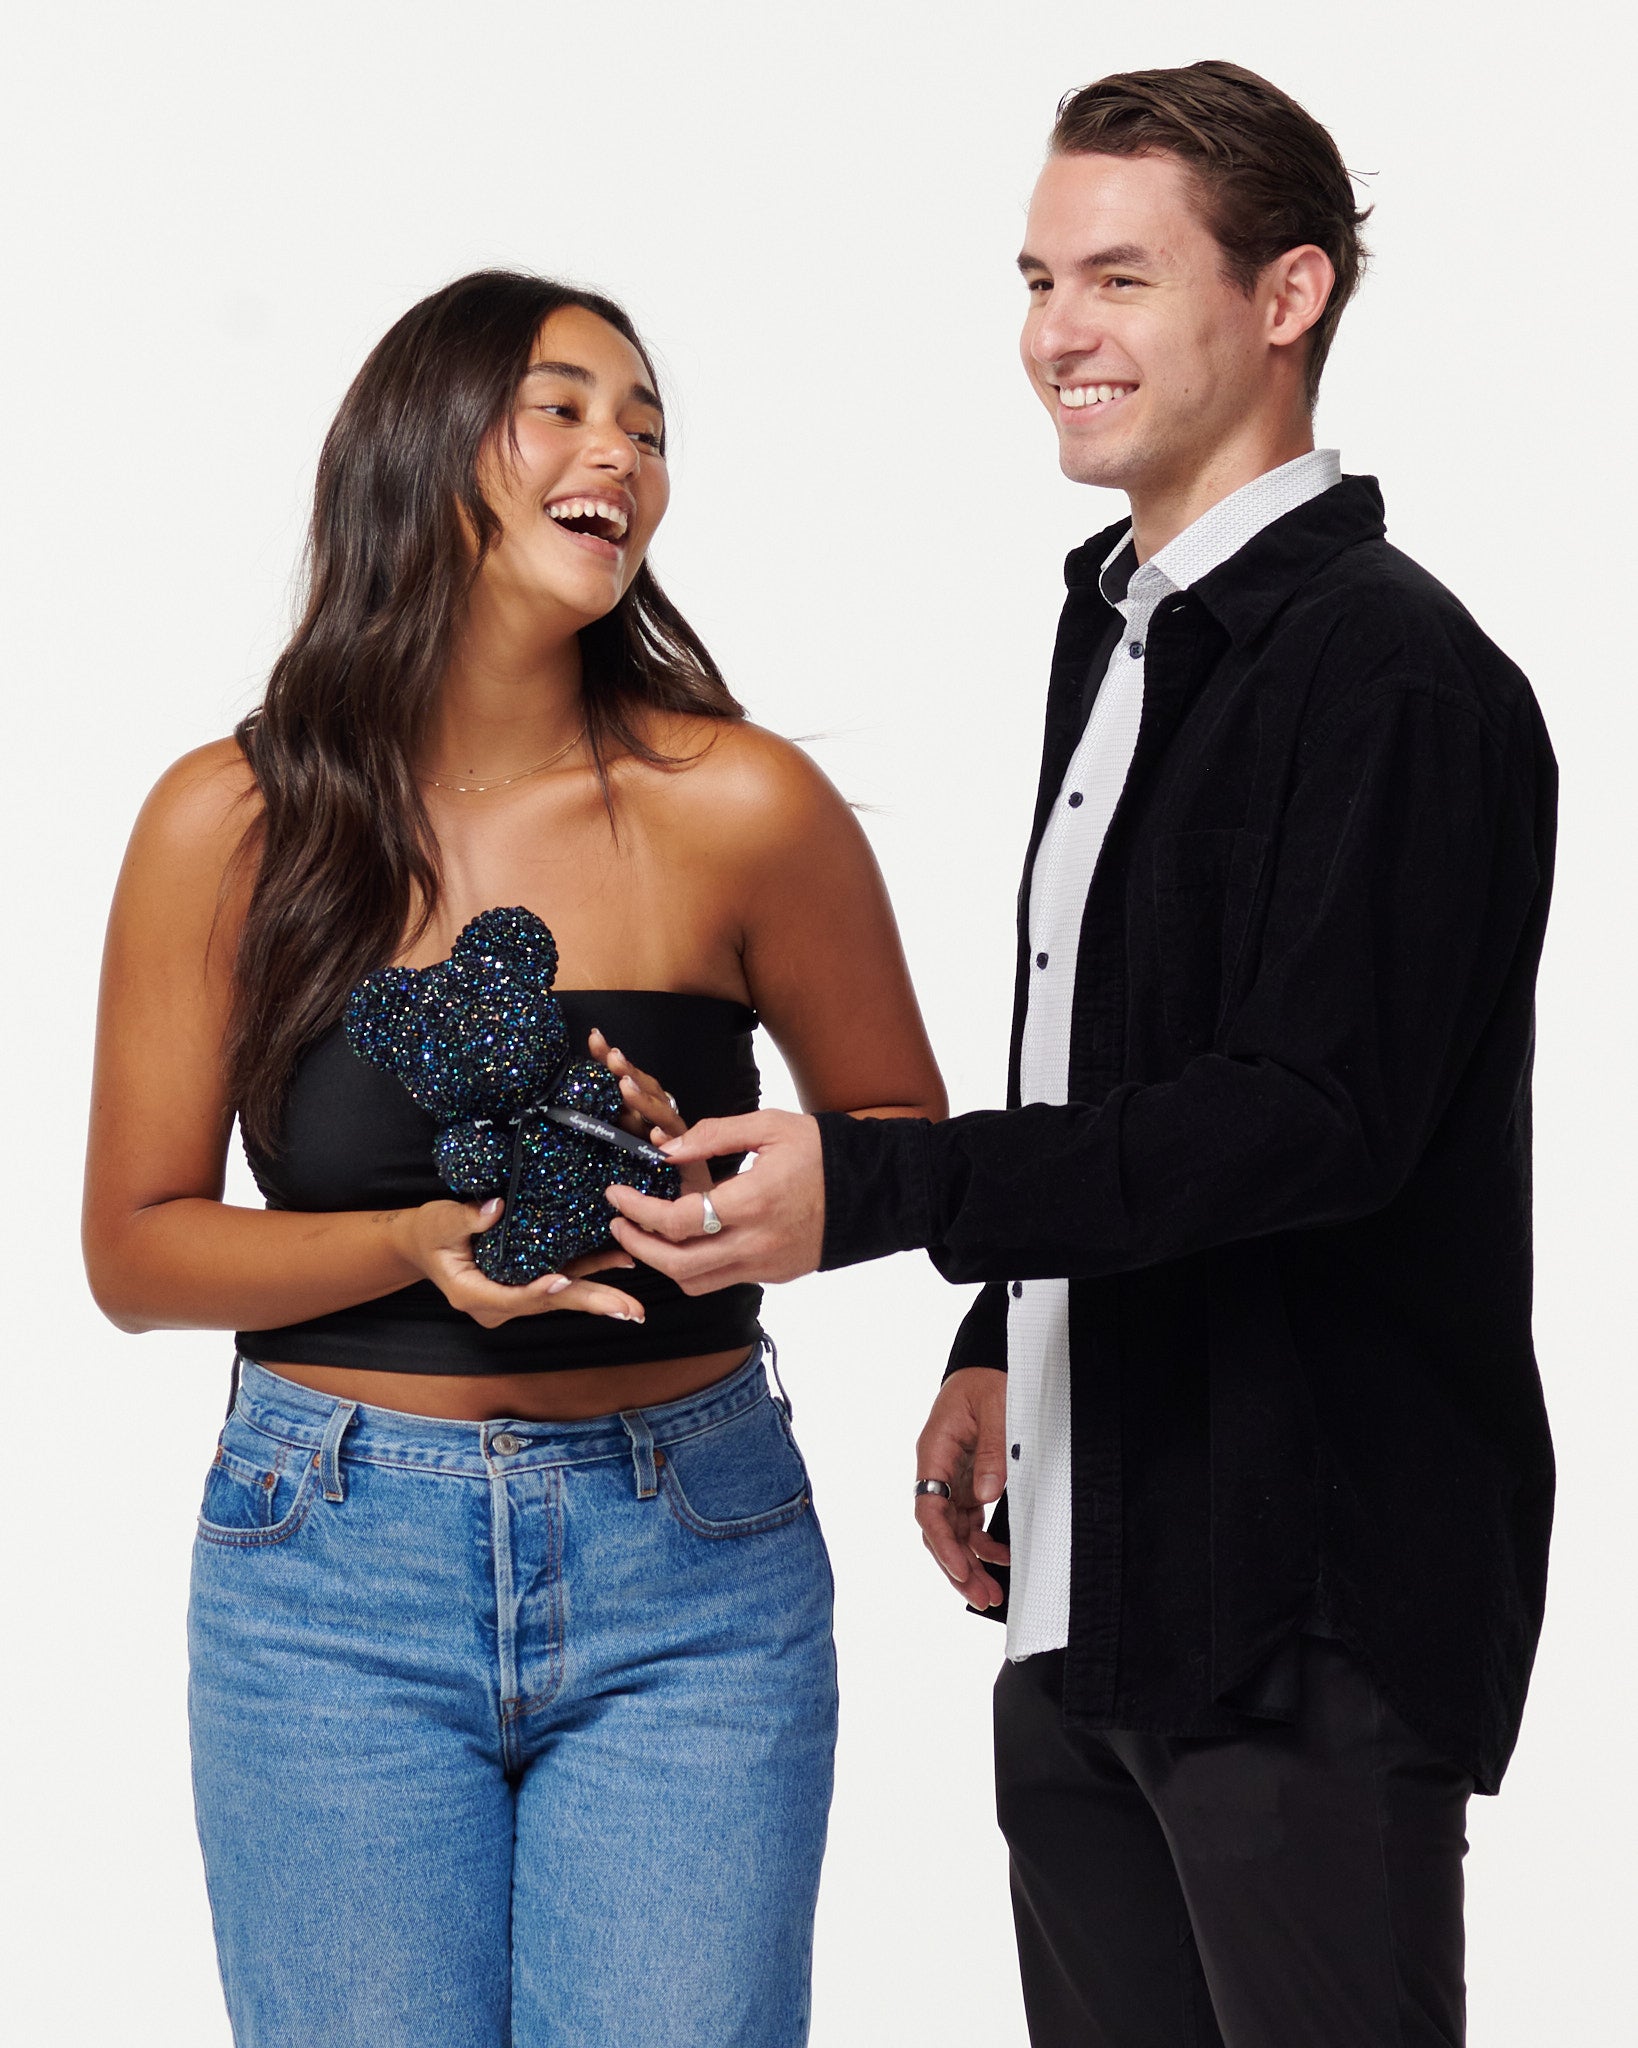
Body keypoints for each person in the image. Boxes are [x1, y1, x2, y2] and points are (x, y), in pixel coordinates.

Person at [606, 62, 1557, 2047]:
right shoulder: (1120, 631)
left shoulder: (1395, 675)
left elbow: (1309, 1123)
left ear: (1286, 297)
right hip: (1084, 1591)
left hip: (1295, 1613)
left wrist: (875, 1192)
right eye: (1038, 277)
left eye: (1117, 278)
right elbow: (1120, 1059)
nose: (1056, 333)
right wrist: (997, 1342)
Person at [82, 269, 946, 2048]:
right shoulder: (227, 820)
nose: (617, 454)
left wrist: (724, 1191)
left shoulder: (743, 805)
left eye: (645, 426)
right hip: (328, 1565)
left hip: (692, 1558)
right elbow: (139, 1252)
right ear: (426, 448)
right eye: (560, 407)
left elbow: (908, 1158)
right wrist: (414, 1241)